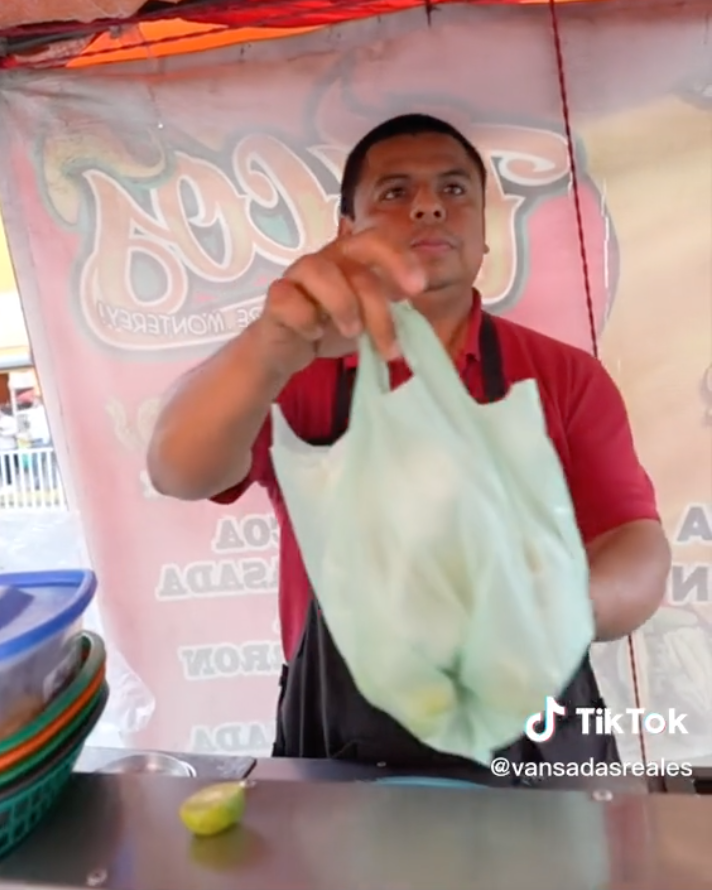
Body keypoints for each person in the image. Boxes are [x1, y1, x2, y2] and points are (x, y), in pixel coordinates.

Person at [148, 114, 671, 781]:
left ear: (483, 233)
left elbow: (633, 541)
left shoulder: (564, 377)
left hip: (537, 727)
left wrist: (564, 609)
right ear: (346, 233)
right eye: (395, 192)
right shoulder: (298, 369)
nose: (428, 204)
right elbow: (176, 467)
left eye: (454, 190)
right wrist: (264, 350)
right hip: (345, 733)